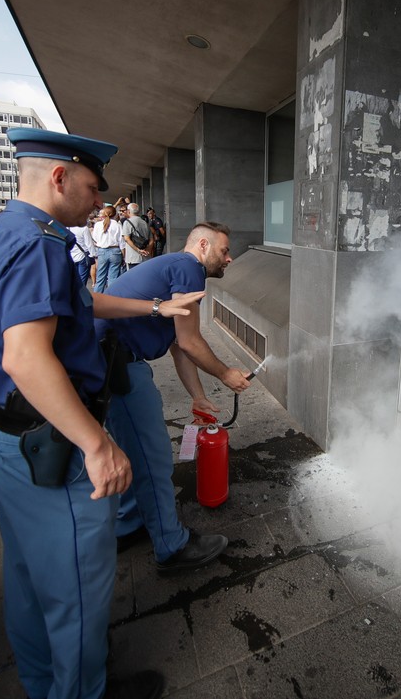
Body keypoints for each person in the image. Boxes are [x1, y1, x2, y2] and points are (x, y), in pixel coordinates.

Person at [0, 127, 204, 699]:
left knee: (27, 574)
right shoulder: (38, 243)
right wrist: (97, 445)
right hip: (49, 438)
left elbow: (79, 301)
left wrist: (153, 304)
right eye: (95, 187)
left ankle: (44, 681)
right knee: (75, 585)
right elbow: (26, 357)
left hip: (4, 427)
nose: (101, 202)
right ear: (59, 177)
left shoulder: (11, 229)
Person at [95, 222, 249, 572]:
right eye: (224, 251)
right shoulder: (188, 267)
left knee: (137, 450)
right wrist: (226, 374)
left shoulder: (175, 270)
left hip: (114, 359)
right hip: (117, 362)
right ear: (204, 246)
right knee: (154, 457)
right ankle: (172, 545)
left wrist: (197, 396)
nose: (230, 258)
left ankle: (129, 525)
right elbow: (192, 342)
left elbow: (180, 345)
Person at [91, 203, 123, 292]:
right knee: (113, 277)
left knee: (100, 276)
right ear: (114, 214)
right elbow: (121, 242)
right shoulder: (117, 225)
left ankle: (97, 298)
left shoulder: (97, 225)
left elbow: (95, 238)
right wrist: (123, 255)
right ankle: (111, 297)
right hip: (115, 251)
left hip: (102, 251)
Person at [121, 202, 152, 270]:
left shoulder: (127, 222)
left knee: (133, 279)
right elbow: (152, 240)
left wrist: (138, 250)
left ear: (128, 211)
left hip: (133, 258)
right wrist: (147, 250)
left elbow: (126, 239)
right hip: (145, 257)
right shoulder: (145, 223)